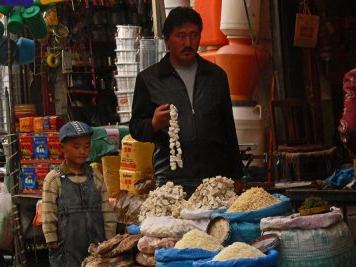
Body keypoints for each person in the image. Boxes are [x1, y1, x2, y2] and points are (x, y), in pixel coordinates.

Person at [129, 7, 243, 196]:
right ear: (167, 40)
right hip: (172, 182)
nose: (188, 43)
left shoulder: (216, 76)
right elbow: (136, 128)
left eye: (193, 35)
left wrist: (237, 174)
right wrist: (154, 123)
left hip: (215, 180)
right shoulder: (149, 79)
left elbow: (228, 128)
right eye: (181, 36)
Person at [42, 121, 116, 267]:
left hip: (97, 247)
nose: (82, 151)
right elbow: (48, 212)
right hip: (66, 250)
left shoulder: (96, 176)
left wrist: (110, 241)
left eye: (87, 146)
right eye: (76, 146)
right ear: (62, 147)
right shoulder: (53, 178)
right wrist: (52, 241)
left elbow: (106, 212)